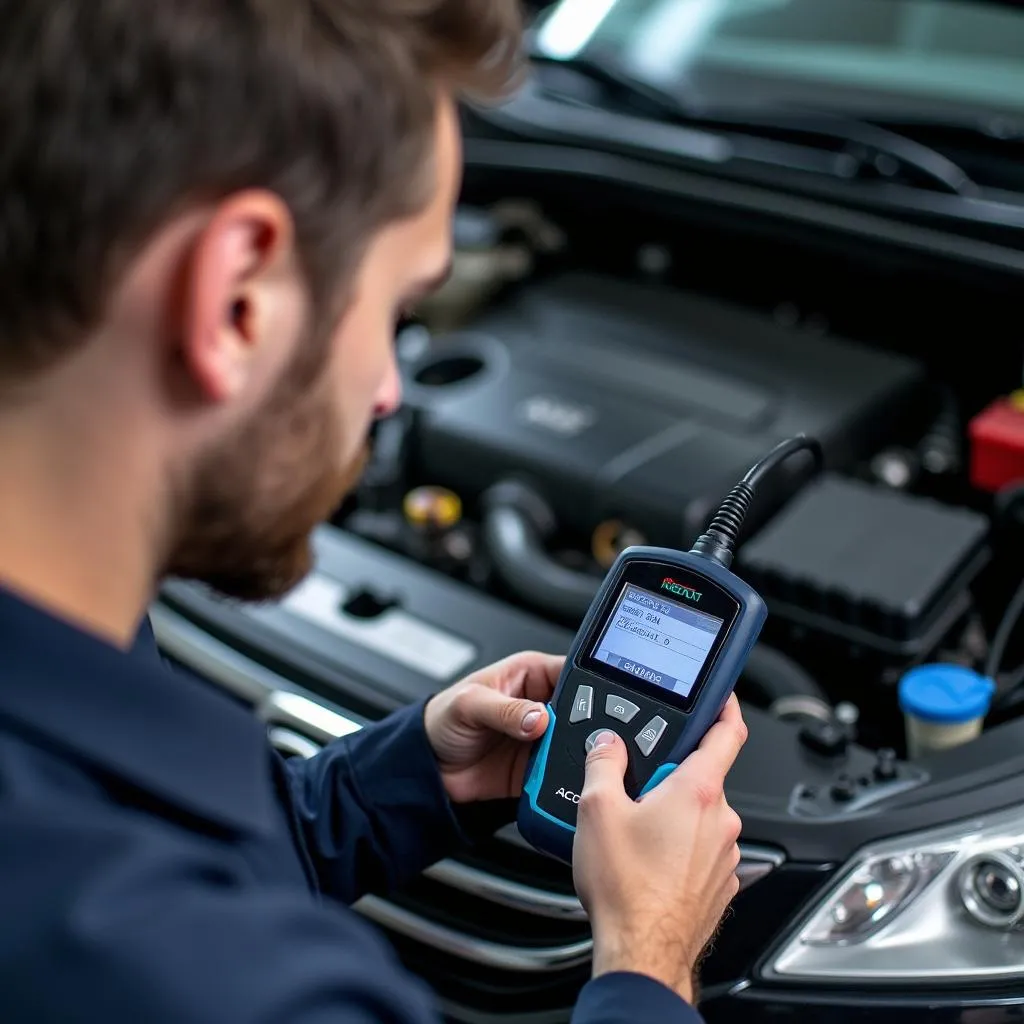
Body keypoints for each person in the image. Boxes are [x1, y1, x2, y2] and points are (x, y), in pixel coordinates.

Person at [0, 1, 748, 1021]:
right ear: (235, 299)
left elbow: (178, 851)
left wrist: (397, 782)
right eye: (398, 308)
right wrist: (649, 958)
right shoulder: (185, 975)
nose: (393, 390)